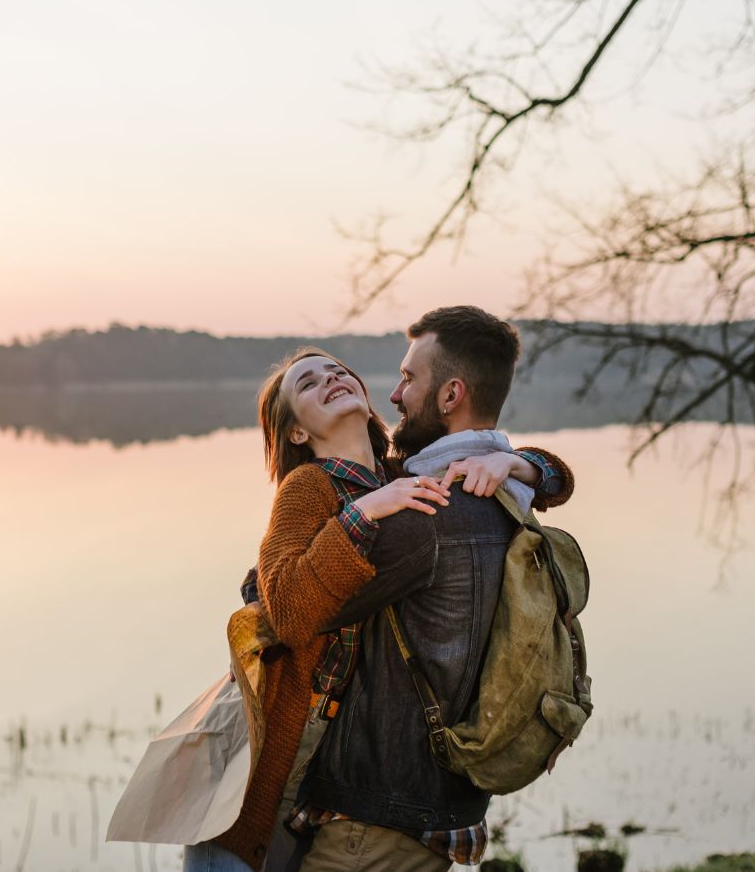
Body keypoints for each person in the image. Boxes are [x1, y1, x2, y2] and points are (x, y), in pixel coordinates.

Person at [184, 345, 571, 872]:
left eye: (338, 371)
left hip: (345, 757)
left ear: (366, 399)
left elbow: (559, 480)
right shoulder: (308, 487)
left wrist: (516, 462)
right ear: (297, 432)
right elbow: (288, 609)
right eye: (308, 384)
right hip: (288, 744)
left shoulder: (399, 474)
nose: (331, 379)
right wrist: (362, 515)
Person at [290, 307, 568, 872]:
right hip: (444, 808)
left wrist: (353, 517)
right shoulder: (506, 493)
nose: (393, 395)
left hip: (376, 824)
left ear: (450, 396)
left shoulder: (426, 511)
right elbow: (557, 475)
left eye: (409, 379)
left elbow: (290, 613)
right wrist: (525, 464)